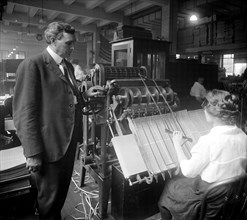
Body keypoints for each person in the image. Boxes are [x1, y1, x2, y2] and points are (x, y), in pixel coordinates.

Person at [13, 21, 102, 220]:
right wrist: (33, 153)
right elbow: (24, 113)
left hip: (68, 144)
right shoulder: (33, 65)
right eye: (68, 43)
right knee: (49, 200)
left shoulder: (67, 66)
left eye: (73, 43)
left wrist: (85, 94)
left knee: (59, 195)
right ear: (53, 40)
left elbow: (66, 98)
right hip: (49, 147)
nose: (72, 48)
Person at [158, 89, 247, 220]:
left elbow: (188, 171)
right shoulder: (242, 135)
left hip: (211, 197)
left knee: (171, 185)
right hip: (232, 193)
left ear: (212, 112)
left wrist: (177, 143)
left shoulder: (209, 141)